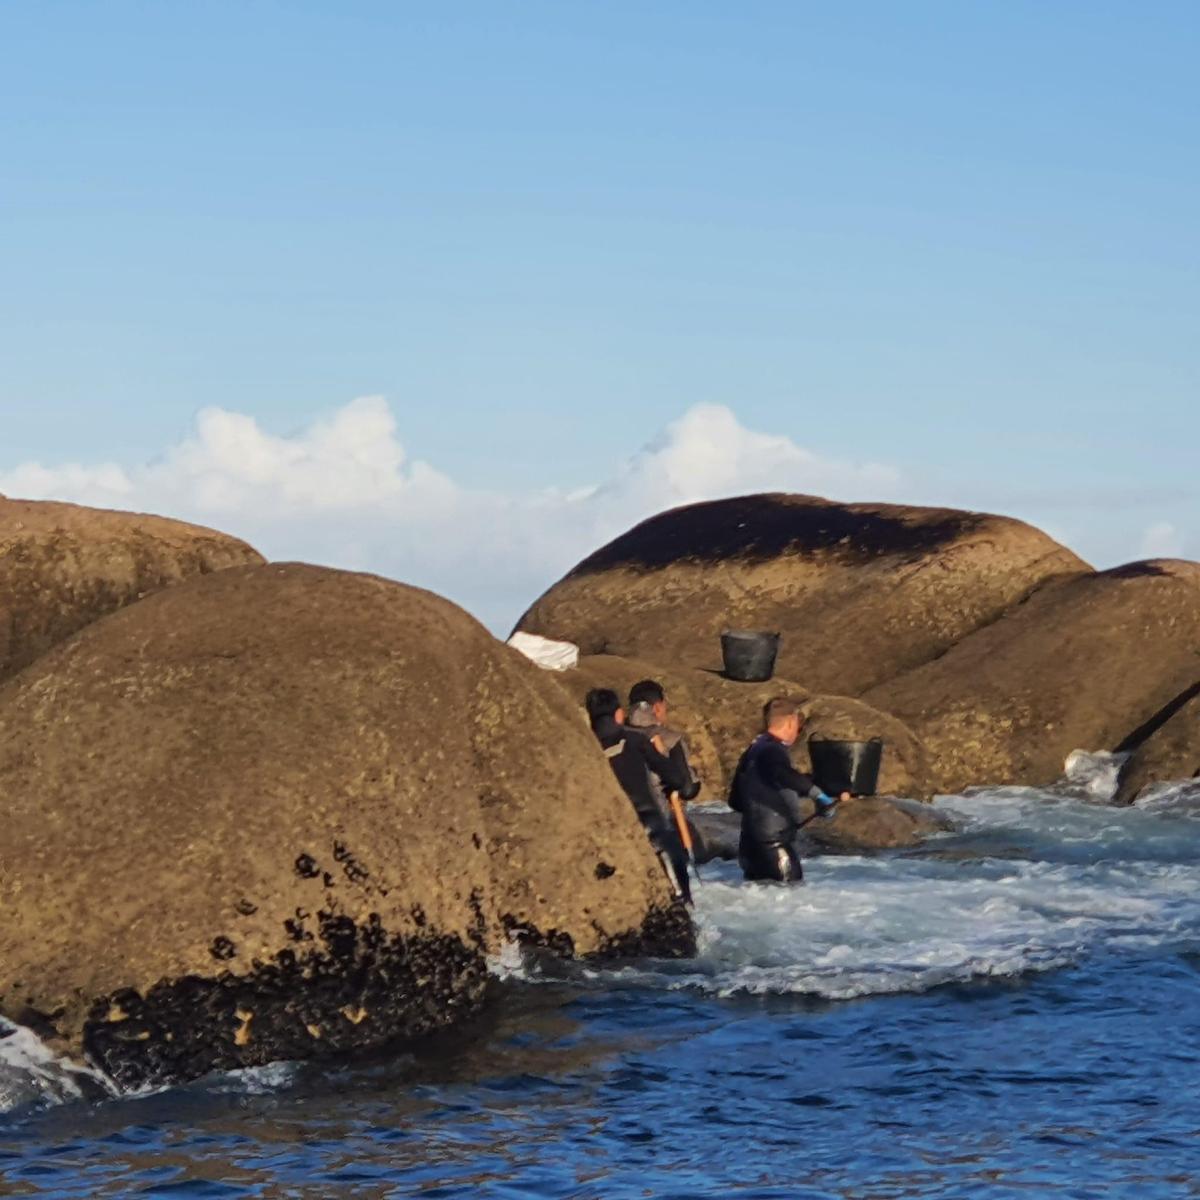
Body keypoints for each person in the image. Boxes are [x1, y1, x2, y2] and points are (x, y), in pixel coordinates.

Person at [585, 687, 701, 904]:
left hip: (609, 833)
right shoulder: (634, 741)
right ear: (619, 714)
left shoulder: (586, 749)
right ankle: (683, 902)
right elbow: (678, 780)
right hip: (649, 825)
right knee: (679, 900)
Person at [728, 697, 849, 884]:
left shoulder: (753, 750)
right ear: (792, 721)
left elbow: (735, 800)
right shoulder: (772, 750)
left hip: (749, 848)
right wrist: (817, 794)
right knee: (791, 897)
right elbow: (782, 774)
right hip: (774, 847)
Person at [626, 679, 698, 798]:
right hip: (656, 809)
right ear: (657, 708)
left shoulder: (616, 734)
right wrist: (693, 773)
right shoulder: (670, 739)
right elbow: (687, 790)